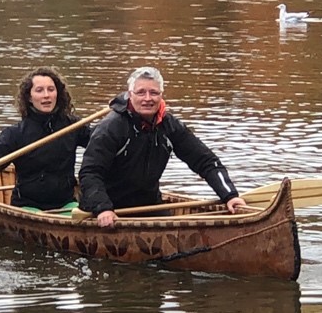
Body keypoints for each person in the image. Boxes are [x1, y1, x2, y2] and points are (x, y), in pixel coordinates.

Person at [79, 66, 246, 228]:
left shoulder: (169, 126)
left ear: (161, 95)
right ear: (130, 95)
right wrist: (103, 208)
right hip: (108, 209)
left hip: (149, 205)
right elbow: (90, 172)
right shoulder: (111, 127)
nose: (147, 98)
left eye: (153, 93)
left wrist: (230, 195)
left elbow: (206, 161)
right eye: (141, 92)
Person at [0, 66, 91, 213]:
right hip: (27, 206)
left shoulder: (73, 126)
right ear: (29, 97)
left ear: (57, 94)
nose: (46, 95)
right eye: (39, 90)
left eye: (51, 89)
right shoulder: (15, 133)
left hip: (65, 204)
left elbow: (102, 144)